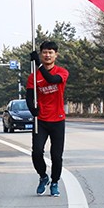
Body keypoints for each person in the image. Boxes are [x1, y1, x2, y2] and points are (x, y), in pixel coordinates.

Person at [26, 41, 69, 197]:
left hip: (57, 120)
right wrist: (33, 110)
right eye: (44, 52)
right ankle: (43, 177)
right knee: (37, 152)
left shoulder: (62, 72)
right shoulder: (33, 77)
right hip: (41, 120)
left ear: (55, 55)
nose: (47, 55)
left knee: (56, 156)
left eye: (50, 52)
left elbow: (51, 80)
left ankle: (55, 182)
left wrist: (38, 65)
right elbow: (29, 97)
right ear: (40, 54)